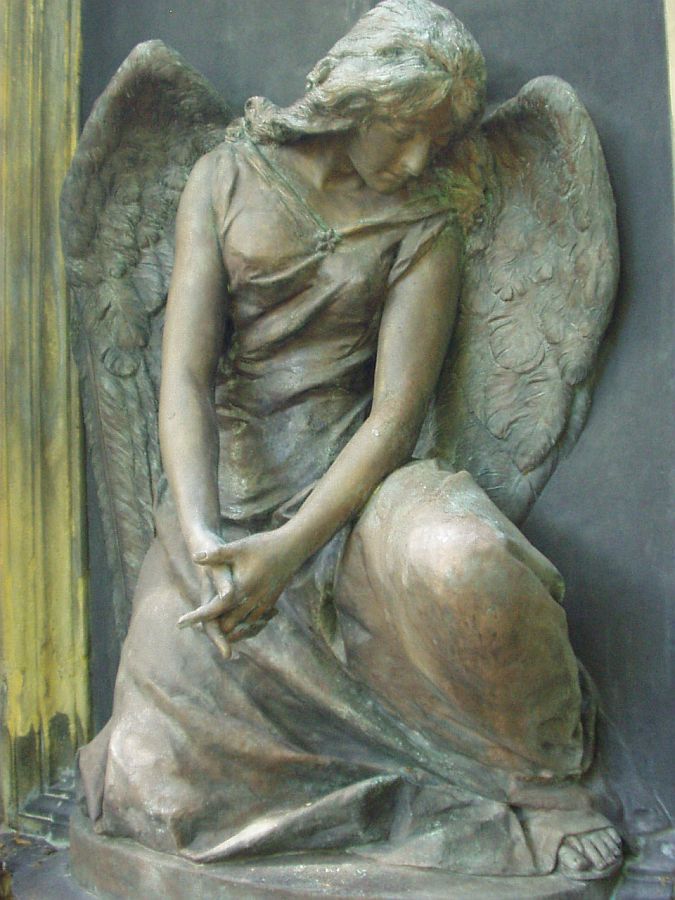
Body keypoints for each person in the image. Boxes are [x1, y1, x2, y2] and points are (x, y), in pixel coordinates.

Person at [79, 0, 621, 880]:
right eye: (403, 132)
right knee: (151, 785)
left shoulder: (424, 218)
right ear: (356, 100)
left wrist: (290, 550)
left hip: (359, 503)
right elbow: (181, 377)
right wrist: (206, 539)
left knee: (465, 561)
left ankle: (541, 781)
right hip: (226, 503)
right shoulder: (224, 180)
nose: (414, 161)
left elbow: (393, 420)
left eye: (435, 143)